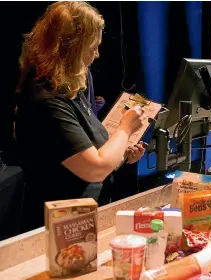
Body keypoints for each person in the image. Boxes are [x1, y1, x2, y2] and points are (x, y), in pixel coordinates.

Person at [15, 2, 146, 232]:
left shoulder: (69, 87)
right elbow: (94, 168)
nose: (96, 55)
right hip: (57, 230)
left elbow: (88, 150)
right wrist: (125, 129)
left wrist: (121, 154)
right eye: (92, 47)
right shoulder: (46, 99)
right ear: (71, 47)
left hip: (82, 218)